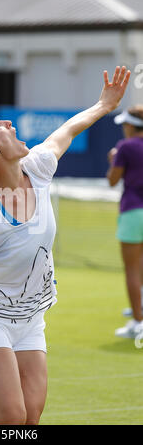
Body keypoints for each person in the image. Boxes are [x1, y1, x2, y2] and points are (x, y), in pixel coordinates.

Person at [0, 66, 130, 425]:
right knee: (9, 416)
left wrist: (104, 104)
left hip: (31, 319)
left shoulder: (39, 168)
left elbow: (67, 130)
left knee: (30, 417)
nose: (10, 125)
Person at [107, 105, 143, 339]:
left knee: (132, 269)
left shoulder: (125, 147)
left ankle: (138, 322)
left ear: (130, 126)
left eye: (124, 124)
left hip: (133, 210)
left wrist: (113, 160)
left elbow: (113, 180)